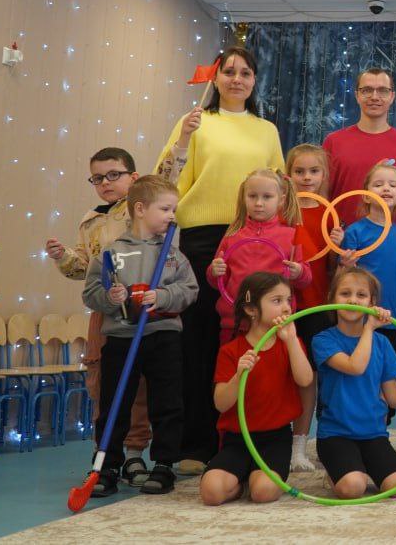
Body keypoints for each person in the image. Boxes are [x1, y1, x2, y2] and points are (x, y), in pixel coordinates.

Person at [156, 45, 284, 473]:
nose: (236, 79)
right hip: (203, 239)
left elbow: (281, 188)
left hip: (255, 239)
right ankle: (195, 443)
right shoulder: (195, 122)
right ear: (215, 78)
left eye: (245, 72)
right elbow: (166, 181)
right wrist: (184, 138)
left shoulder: (267, 130)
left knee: (248, 338)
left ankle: (245, 439)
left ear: (254, 80)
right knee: (199, 340)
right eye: (229, 71)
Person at [45, 147, 166, 486]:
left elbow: (170, 174)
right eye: (97, 178)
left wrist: (184, 137)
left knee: (138, 383)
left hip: (141, 305)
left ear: (134, 177)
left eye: (114, 175)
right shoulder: (91, 221)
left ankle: (135, 453)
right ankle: (105, 455)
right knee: (102, 381)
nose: (105, 183)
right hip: (105, 310)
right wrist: (63, 256)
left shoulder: (142, 210)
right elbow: (84, 268)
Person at [82, 175, 199, 497]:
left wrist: (162, 296)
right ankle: (106, 465)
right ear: (140, 209)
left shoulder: (173, 254)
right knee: (114, 403)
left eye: (173, 209)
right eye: (165, 209)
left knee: (167, 402)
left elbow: (189, 290)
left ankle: (164, 464)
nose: (171, 216)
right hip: (122, 336)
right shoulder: (112, 253)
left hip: (163, 336)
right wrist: (111, 298)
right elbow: (91, 292)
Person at [312, 266, 396, 499]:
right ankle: (342, 471)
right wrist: (369, 328)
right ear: (332, 298)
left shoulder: (382, 344)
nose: (353, 300)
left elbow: (394, 398)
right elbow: (355, 366)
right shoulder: (324, 340)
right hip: (336, 434)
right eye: (345, 294)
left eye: (361, 295)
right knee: (353, 488)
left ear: (372, 302)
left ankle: (359, 467)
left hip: (373, 433)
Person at [200, 273, 314, 505]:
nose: (286, 307)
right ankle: (241, 484)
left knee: (263, 492)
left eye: (288, 300)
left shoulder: (289, 344)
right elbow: (221, 404)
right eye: (277, 300)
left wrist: (292, 340)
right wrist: (238, 376)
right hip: (237, 439)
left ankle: (251, 481)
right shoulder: (231, 351)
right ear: (251, 309)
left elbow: (305, 380)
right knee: (211, 493)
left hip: (276, 439)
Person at [208, 169, 311, 343]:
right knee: (233, 361)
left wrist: (299, 272)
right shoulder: (232, 235)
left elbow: (306, 279)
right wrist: (214, 271)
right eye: (252, 196)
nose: (258, 203)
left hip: (276, 325)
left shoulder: (292, 236)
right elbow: (217, 282)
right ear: (244, 198)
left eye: (267, 197)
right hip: (234, 324)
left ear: (281, 200)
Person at [286, 143, 340, 472]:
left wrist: (338, 245)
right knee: (286, 375)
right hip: (287, 307)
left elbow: (332, 268)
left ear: (324, 175)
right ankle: (281, 441)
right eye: (300, 171)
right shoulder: (282, 212)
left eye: (314, 171)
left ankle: (303, 445)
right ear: (289, 175)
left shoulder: (330, 214)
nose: (307, 177)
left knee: (312, 378)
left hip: (319, 306)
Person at [323, 67, 396, 227]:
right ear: (357, 95)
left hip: (388, 239)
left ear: (392, 96)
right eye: (367, 90)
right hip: (339, 237)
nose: (374, 97)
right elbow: (322, 196)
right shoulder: (333, 142)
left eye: (382, 91)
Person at [338, 161, 396, 328]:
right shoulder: (354, 231)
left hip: (391, 318)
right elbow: (342, 278)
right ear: (366, 196)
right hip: (359, 317)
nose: (386, 188)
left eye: (392, 185)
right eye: (378, 184)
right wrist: (346, 265)